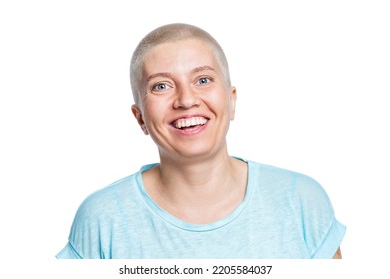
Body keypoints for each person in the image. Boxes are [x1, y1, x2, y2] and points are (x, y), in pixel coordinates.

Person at [56, 23, 346, 259]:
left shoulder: (301, 201)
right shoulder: (102, 220)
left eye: (203, 80)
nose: (186, 100)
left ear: (231, 101)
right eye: (161, 86)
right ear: (140, 117)